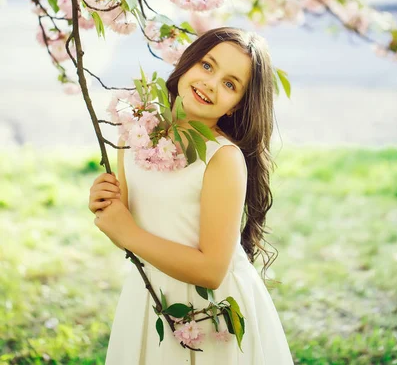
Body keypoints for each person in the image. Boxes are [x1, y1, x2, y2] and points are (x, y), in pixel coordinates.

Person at [89, 26, 294, 364]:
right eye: (207, 66)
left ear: (236, 106)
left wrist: (127, 232)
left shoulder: (221, 158)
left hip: (208, 311)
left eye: (230, 84)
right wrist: (106, 208)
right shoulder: (136, 133)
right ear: (187, 63)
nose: (211, 83)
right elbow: (124, 230)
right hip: (150, 294)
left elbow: (212, 270)